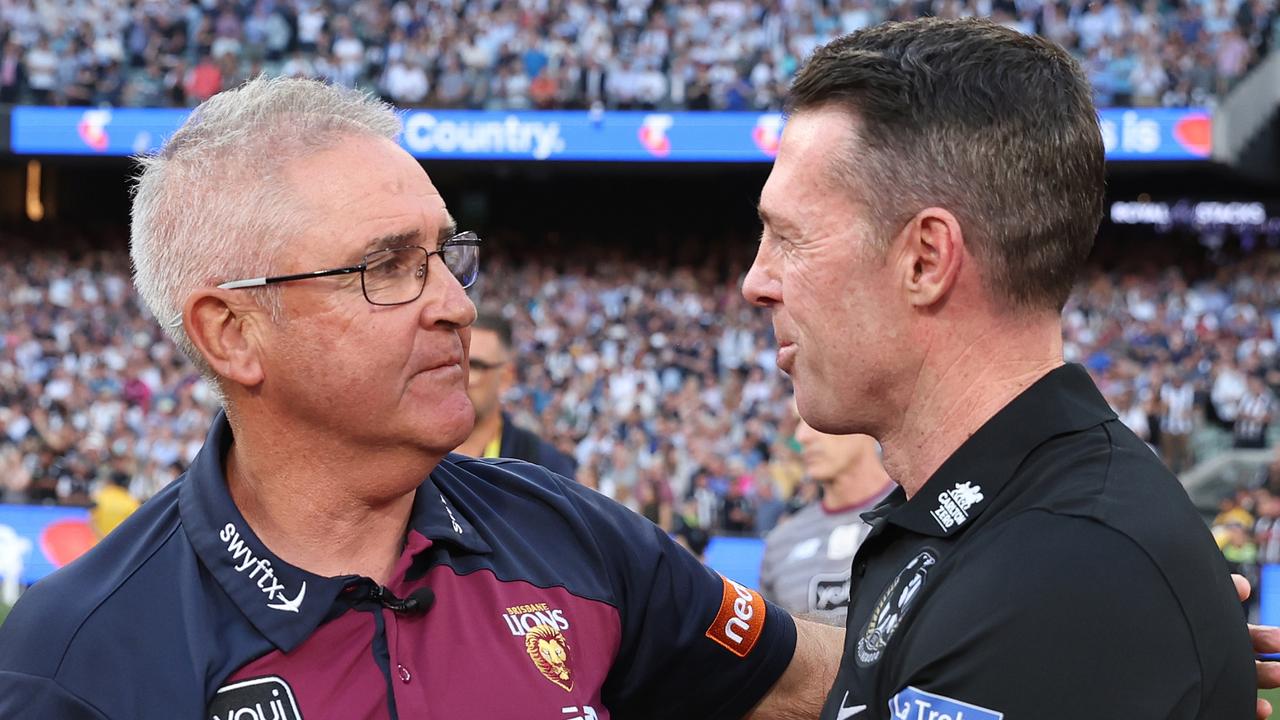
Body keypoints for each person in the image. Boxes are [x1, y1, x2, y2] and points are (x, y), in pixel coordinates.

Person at [0, 77, 839, 719]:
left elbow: (812, 685)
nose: (456, 304)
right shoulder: (79, 656)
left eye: (446, 254)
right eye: (388, 266)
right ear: (233, 333)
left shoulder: (570, 536)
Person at [742, 18, 1254, 719]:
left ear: (926, 259)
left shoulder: (1071, 572)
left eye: (788, 238)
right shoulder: (994, 529)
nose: (756, 281)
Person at [759, 417, 894, 625]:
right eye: (797, 423)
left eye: (815, 418)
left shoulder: (919, 509)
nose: (802, 436)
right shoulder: (780, 542)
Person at [454, 311, 578, 478]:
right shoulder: (415, 453)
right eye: (452, 362)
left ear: (506, 377)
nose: (458, 374)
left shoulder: (542, 467)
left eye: (475, 366)